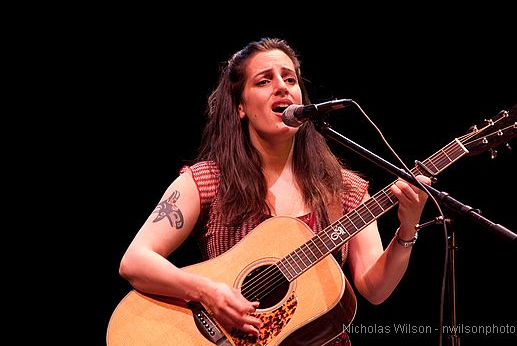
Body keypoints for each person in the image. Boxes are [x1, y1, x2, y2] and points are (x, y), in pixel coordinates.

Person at [118, 37, 430, 345]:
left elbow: (375, 290)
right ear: (241, 106)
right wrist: (207, 292)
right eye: (264, 81)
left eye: (289, 78)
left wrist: (407, 227)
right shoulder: (208, 181)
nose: (281, 86)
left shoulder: (343, 189)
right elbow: (135, 261)